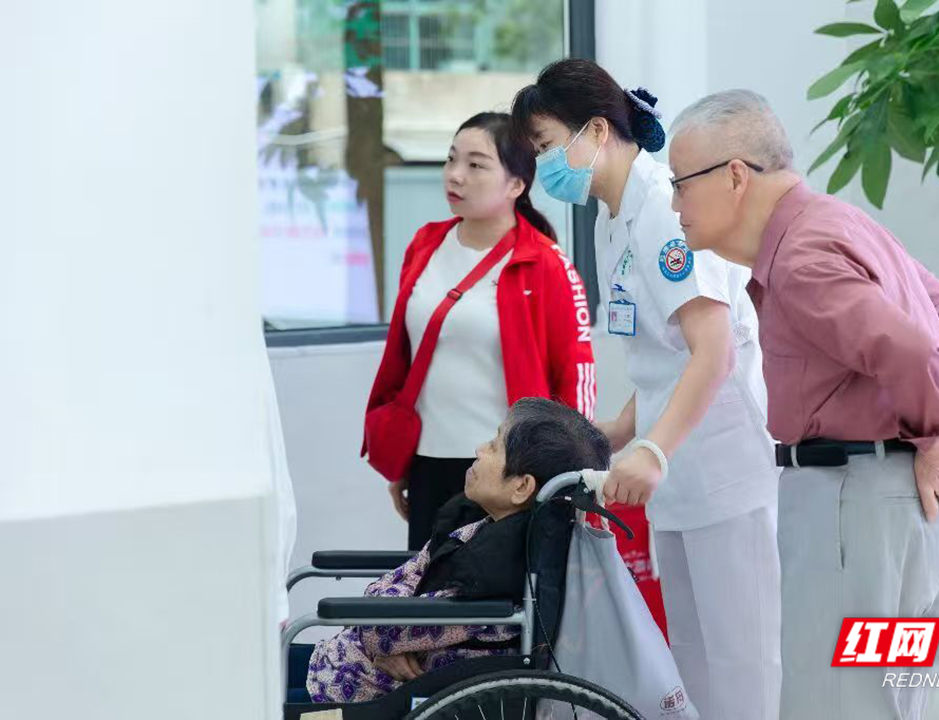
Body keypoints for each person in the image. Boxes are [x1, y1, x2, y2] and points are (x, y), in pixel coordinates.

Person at [667, 89, 939, 720]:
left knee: (837, 706)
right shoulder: (833, 221)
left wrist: (935, 437)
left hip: (859, 502)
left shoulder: (803, 255)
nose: (675, 203)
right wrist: (933, 438)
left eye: (681, 184)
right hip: (896, 505)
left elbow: (908, 346)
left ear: (736, 176)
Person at [512, 60, 781, 719]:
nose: (544, 164)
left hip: (721, 468)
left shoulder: (663, 208)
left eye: (546, 145)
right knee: (690, 661)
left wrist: (653, 449)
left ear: (596, 130)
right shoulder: (612, 219)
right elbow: (662, 356)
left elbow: (712, 350)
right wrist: (618, 433)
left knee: (741, 662)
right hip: (676, 474)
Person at [364, 112, 596, 551]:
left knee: (496, 612)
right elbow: (405, 358)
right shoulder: (425, 245)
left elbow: (576, 376)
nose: (455, 175)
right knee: (426, 604)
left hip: (504, 477)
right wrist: (402, 462)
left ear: (516, 184)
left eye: (476, 165)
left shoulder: (544, 263)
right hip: (428, 462)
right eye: (451, 160)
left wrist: (570, 475)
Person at [309, 397, 612, 703]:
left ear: (522, 487)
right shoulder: (479, 527)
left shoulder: (494, 571)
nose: (479, 450)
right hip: (354, 666)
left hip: (363, 691)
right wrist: (385, 640)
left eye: (494, 447)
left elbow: (377, 626)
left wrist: (383, 638)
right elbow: (396, 598)